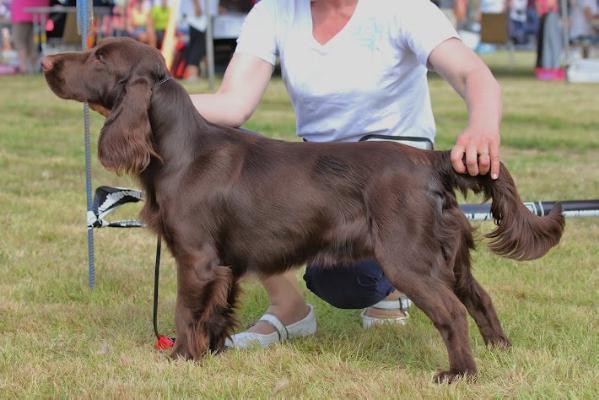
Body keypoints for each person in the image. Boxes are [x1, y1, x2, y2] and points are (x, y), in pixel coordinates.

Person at [189, 0, 502, 348]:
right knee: (235, 158)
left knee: (360, 281)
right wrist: (149, 100)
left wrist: (483, 126)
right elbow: (233, 104)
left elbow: (472, 73)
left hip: (393, 175)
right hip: (324, 176)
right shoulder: (273, 11)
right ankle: (287, 306)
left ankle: (399, 278)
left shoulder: (403, 7)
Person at [181, 0, 218, 80]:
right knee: (198, 46)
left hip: (204, 14)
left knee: (202, 46)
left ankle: (204, 74)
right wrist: (197, 7)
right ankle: (192, 75)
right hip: (199, 16)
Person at [10, 0, 49, 73]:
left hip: (22, 11)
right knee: (33, 43)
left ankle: (24, 68)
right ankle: (33, 68)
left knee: (19, 41)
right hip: (39, 11)